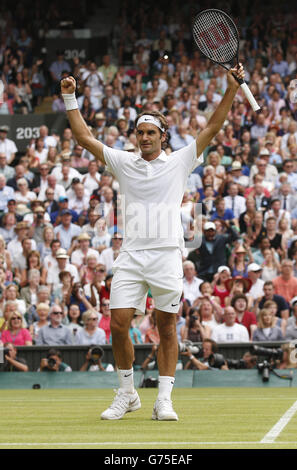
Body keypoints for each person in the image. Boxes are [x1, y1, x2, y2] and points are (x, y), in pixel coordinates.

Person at [61, 64, 245, 421]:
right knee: (117, 324)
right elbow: (84, 138)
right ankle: (127, 393)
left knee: (166, 327)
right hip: (130, 255)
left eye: (150, 133)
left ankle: (164, 399)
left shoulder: (179, 161)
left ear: (162, 137)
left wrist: (232, 89)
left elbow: (212, 126)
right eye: (139, 132)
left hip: (166, 256)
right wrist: (70, 96)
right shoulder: (123, 161)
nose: (143, 137)